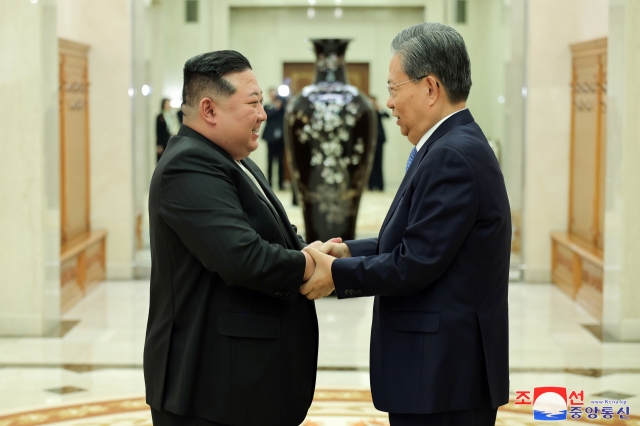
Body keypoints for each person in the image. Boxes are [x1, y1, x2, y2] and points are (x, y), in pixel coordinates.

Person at [301, 23, 511, 426]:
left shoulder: (453, 155)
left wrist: (336, 274)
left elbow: (415, 263)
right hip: (438, 373)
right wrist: (347, 251)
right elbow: (415, 239)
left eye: (395, 89)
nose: (389, 104)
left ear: (430, 88)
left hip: (444, 376)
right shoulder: (446, 145)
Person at [144, 50, 320, 426]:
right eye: (253, 103)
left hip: (238, 384)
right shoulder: (187, 165)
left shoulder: (231, 158)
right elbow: (243, 257)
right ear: (209, 110)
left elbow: (271, 233)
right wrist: (312, 265)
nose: (263, 114)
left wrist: (306, 249)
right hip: (209, 387)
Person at [262, 88, 286, 190]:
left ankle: (281, 184)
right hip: (270, 138)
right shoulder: (267, 106)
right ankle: (270, 184)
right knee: (270, 161)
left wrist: (282, 104)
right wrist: (275, 107)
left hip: (281, 139)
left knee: (281, 162)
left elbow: (286, 114)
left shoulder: (282, 106)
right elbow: (266, 116)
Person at [367, 95, 390, 191]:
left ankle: (379, 185)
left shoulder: (378, 112)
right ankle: (370, 185)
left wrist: (378, 109)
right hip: (369, 141)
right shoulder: (367, 113)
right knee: (370, 164)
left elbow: (387, 116)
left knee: (378, 163)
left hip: (379, 141)